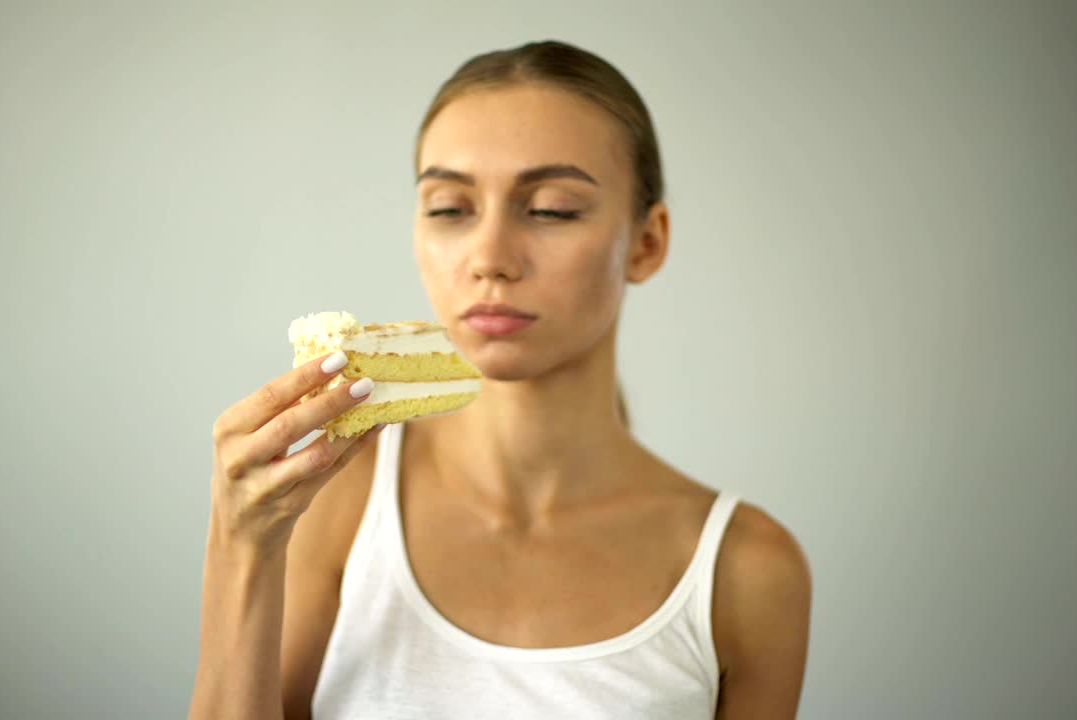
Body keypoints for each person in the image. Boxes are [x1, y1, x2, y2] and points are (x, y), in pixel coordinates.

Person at [189, 40, 811, 720]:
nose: (489, 258)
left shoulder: (747, 571)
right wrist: (240, 545)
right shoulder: (335, 493)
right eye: (451, 208)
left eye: (550, 209)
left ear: (647, 243)